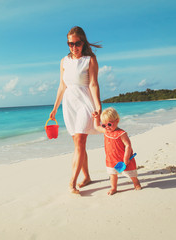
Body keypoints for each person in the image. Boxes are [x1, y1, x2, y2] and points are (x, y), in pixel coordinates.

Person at [49, 26, 102, 194]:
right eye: (70, 44)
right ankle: (86, 177)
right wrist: (55, 108)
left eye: (77, 43)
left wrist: (98, 105)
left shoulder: (90, 59)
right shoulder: (63, 61)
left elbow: (93, 84)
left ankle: (72, 182)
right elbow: (62, 85)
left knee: (80, 141)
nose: (74, 47)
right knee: (78, 143)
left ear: (83, 42)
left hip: (85, 102)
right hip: (69, 104)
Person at [93, 107, 142, 195]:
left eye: (109, 124)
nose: (107, 127)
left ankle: (136, 183)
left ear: (117, 121)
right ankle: (114, 188)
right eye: (104, 125)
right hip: (111, 159)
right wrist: (96, 118)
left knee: (130, 173)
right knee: (112, 174)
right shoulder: (105, 131)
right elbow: (96, 127)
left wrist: (126, 158)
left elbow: (128, 145)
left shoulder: (121, 133)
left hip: (123, 159)